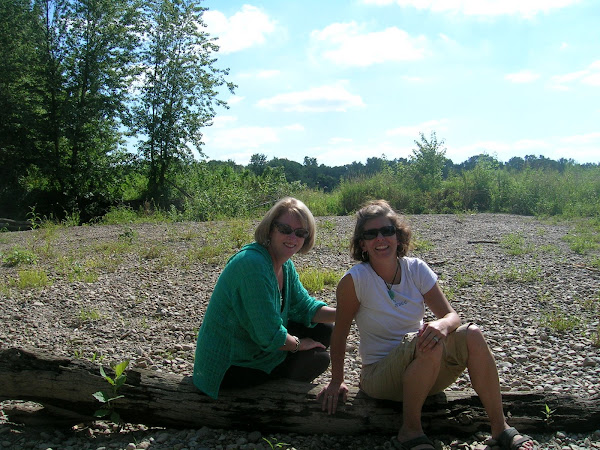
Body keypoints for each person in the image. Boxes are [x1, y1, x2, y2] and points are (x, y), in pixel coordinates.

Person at [317, 200, 535, 450]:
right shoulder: (354, 280)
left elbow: (452, 316)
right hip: (379, 376)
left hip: (425, 367)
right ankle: (410, 431)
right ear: (362, 244)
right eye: (371, 234)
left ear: (398, 236)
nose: (381, 239)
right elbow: (341, 333)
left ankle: (500, 427)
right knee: (425, 340)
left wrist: (442, 325)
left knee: (472, 334)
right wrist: (337, 380)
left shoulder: (416, 269)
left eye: (387, 231)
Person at [193, 197, 336, 399]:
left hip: (254, 344)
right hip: (230, 364)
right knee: (317, 358)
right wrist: (299, 344)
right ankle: (270, 398)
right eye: (285, 229)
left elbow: (305, 307)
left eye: (300, 232)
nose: (292, 237)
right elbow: (270, 335)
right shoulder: (253, 265)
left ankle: (277, 384)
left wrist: (347, 313)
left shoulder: (284, 265)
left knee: (324, 329)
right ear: (270, 229)